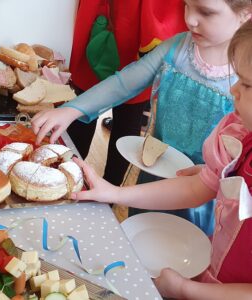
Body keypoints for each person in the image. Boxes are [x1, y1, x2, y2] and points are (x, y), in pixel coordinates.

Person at [32, 0, 251, 234]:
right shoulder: (178, 48)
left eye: (206, 12)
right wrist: (73, 108)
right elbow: (125, 82)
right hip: (155, 175)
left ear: (245, 14)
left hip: (208, 194)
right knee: (146, 238)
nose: (190, 19)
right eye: (187, 5)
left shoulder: (245, 80)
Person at [69, 20, 252, 299]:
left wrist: (185, 289)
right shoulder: (238, 136)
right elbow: (196, 188)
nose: (234, 90)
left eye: (247, 85)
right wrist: (114, 192)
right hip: (211, 279)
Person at [55, 0, 186, 186]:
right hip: (110, 15)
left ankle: (107, 189)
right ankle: (68, 180)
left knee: (127, 111)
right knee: (87, 101)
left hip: (135, 21)